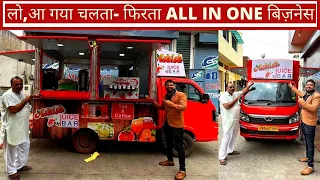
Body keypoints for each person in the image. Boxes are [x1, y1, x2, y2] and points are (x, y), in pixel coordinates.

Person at [0, 76, 41, 180]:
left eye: (21, 84)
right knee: (11, 150)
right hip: (12, 127)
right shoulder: (7, 95)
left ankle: (19, 165)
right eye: (16, 84)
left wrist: (30, 97)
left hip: (22, 126)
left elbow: (25, 102)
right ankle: (11, 171)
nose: (19, 86)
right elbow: (13, 109)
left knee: (24, 146)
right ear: (11, 85)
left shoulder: (20, 93)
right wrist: (26, 100)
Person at [150, 79, 187, 180]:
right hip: (167, 123)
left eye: (171, 85)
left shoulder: (181, 95)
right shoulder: (166, 96)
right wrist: (153, 102)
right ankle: (170, 161)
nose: (169, 87)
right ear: (165, 87)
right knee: (169, 143)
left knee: (179, 147)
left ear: (174, 86)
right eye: (167, 85)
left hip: (177, 124)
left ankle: (182, 170)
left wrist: (171, 104)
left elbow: (183, 107)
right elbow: (162, 107)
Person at [288, 79, 320, 175]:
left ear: (314, 86)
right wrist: (291, 87)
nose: (308, 86)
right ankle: (307, 157)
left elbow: (313, 108)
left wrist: (302, 103)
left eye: (311, 85)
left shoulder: (316, 96)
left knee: (310, 144)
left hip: (310, 123)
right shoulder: (306, 94)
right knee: (306, 141)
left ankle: (310, 166)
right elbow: (299, 92)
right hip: (304, 121)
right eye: (307, 85)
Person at [219, 81, 254, 165]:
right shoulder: (223, 96)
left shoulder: (235, 93)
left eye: (233, 87)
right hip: (228, 120)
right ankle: (222, 157)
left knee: (233, 135)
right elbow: (227, 106)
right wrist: (236, 98)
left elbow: (243, 91)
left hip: (235, 120)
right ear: (226, 88)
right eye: (230, 87)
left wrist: (249, 86)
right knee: (226, 137)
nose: (232, 88)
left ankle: (230, 150)